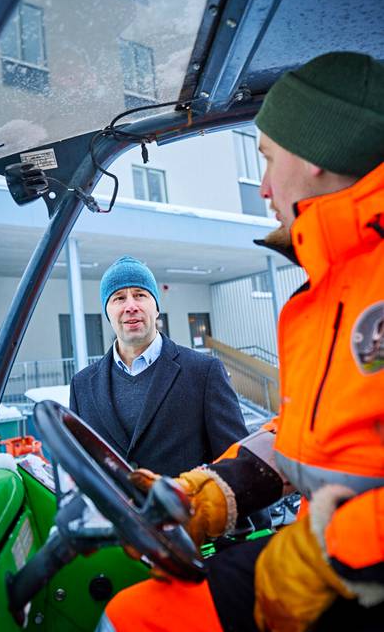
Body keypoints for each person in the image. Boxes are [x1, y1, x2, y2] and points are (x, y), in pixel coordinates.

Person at [96, 51, 384, 632]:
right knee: (134, 612)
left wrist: (321, 557)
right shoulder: (332, 291)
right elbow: (310, 438)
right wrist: (204, 496)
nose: (261, 188)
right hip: (331, 555)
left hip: (356, 571)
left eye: (268, 159)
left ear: (316, 158)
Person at [69, 255, 254, 481]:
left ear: (156, 307)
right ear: (107, 312)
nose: (130, 306)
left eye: (140, 295)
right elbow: (80, 468)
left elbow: (237, 464)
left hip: (187, 514)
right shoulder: (82, 386)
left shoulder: (204, 373)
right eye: (118, 298)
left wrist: (255, 517)